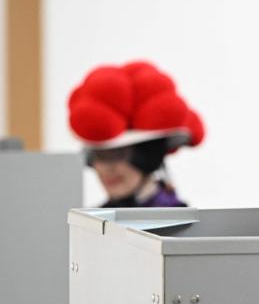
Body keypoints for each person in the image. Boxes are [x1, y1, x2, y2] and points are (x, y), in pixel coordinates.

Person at [68, 61, 205, 207]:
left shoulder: (177, 222)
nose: (106, 168)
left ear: (147, 157)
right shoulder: (89, 223)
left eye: (116, 154)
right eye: (99, 155)